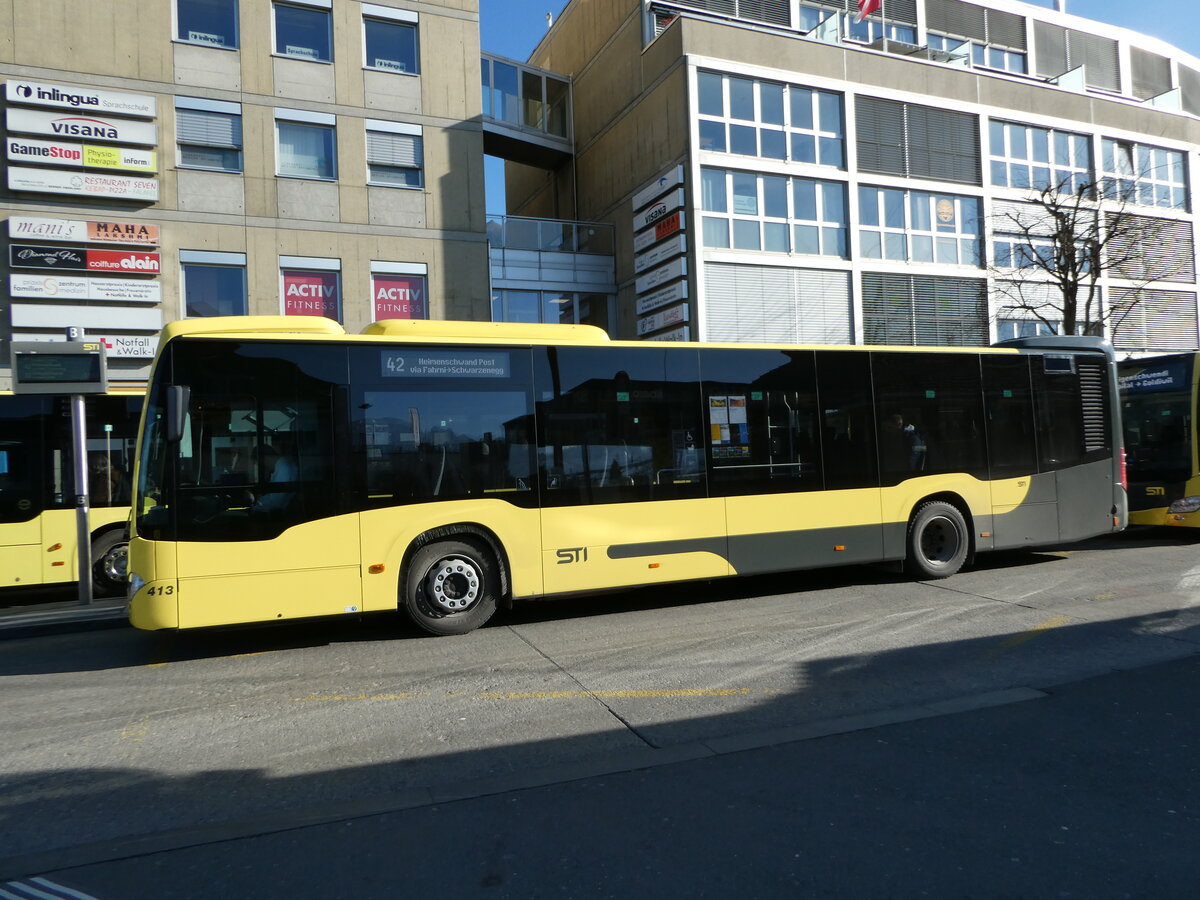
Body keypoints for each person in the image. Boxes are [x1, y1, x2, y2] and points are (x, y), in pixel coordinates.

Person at [251, 442, 298, 513]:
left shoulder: (283, 468)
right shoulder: (282, 466)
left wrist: (255, 507)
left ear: (264, 459)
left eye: (259, 463)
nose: (262, 467)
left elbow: (275, 501)